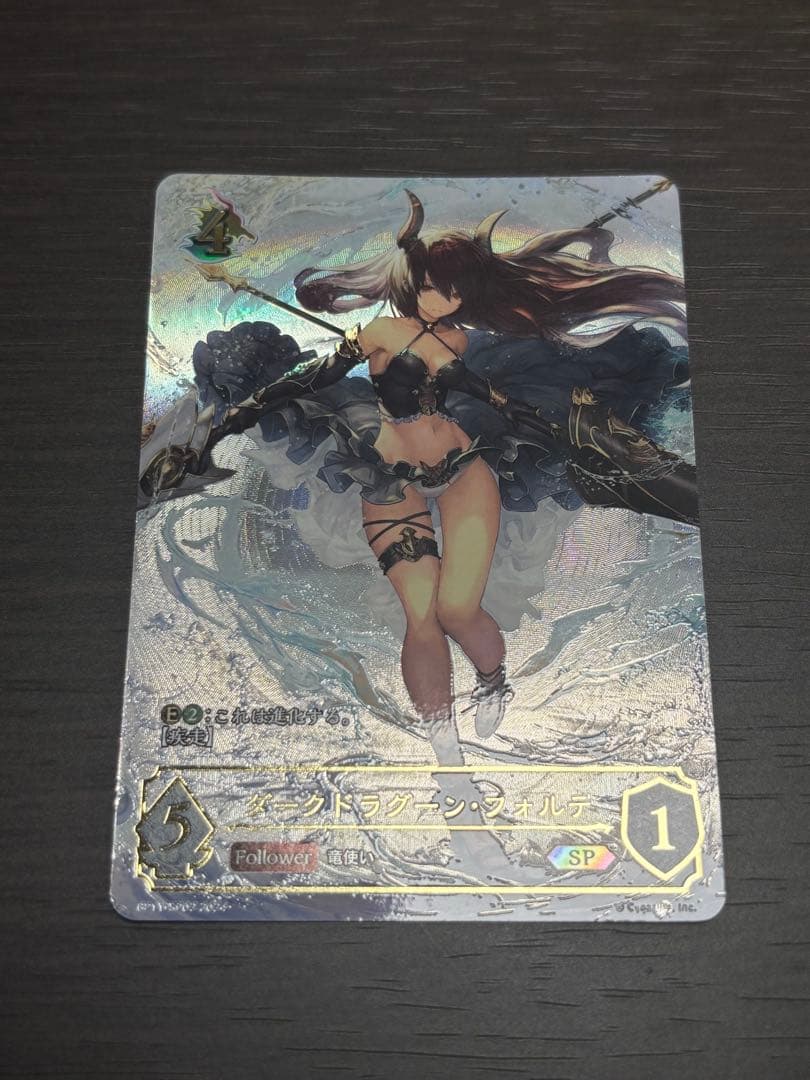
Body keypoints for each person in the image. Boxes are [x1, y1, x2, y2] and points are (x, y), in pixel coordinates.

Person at [155, 191, 693, 747]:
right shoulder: (379, 334)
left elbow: (484, 393)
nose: (444, 300)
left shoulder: (458, 339)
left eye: (455, 291)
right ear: (412, 282)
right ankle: (441, 738)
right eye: (436, 287)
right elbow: (310, 379)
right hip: (390, 477)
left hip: (462, 468)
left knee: (457, 610)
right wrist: (237, 416)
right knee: (421, 617)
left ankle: (492, 682)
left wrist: (550, 425)